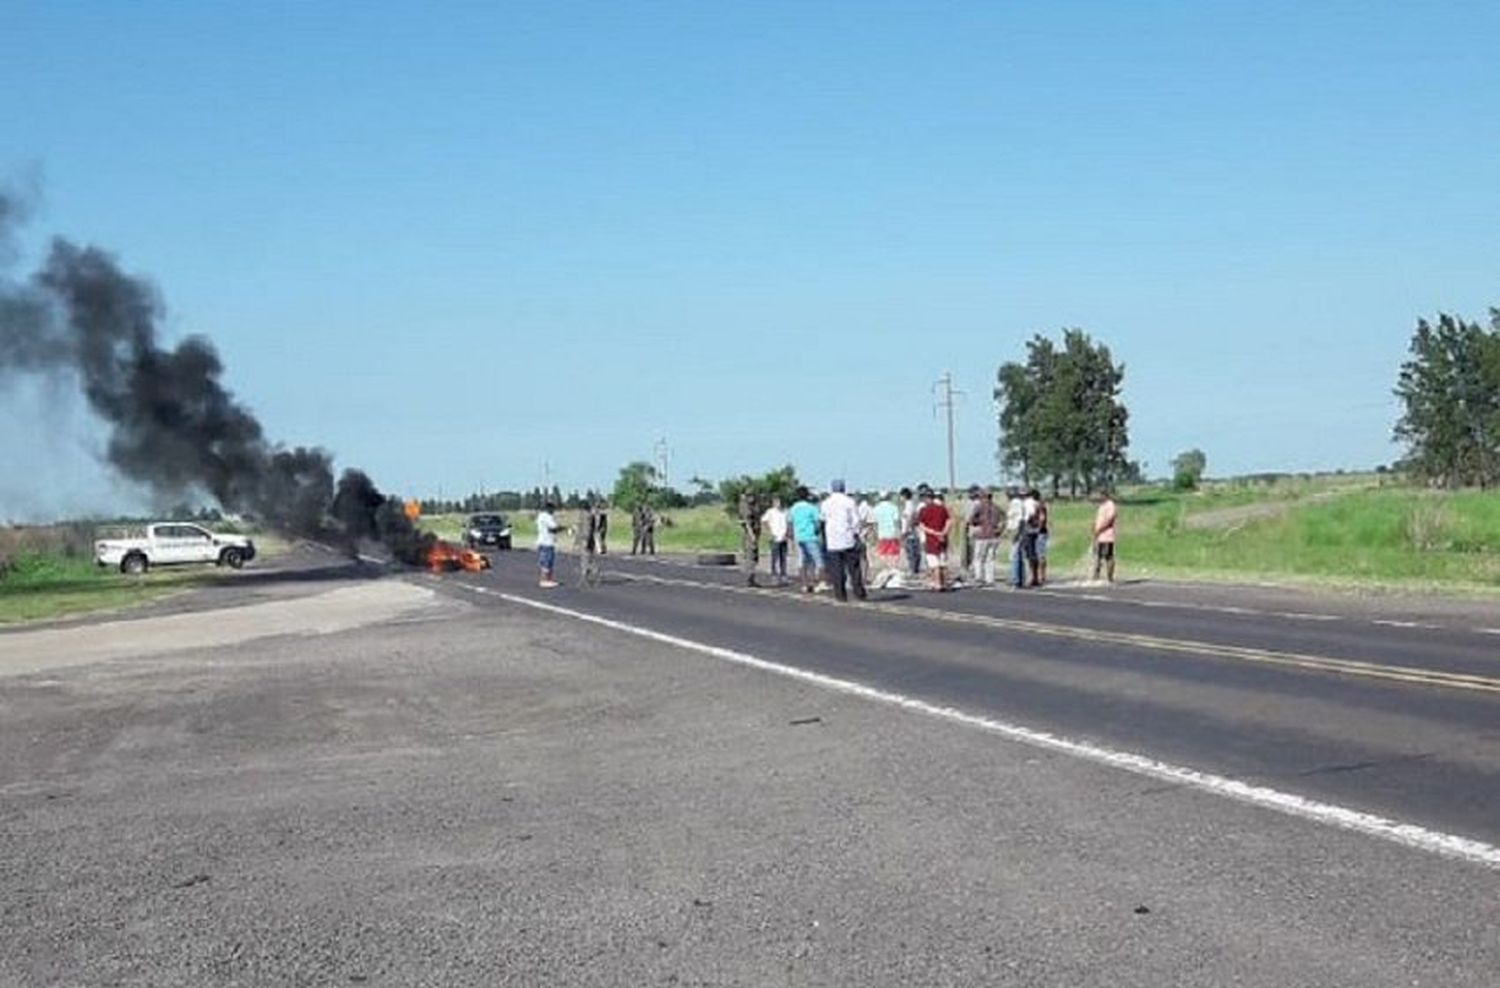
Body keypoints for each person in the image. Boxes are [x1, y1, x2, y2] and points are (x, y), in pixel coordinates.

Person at [820, 479, 866, 602]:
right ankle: (859, 592)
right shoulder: (849, 502)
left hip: (833, 540)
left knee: (837, 569)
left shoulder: (825, 503)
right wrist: (856, 534)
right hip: (847, 538)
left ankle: (840, 594)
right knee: (854, 568)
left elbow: (823, 519)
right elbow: (856, 520)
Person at [788, 486, 823, 593]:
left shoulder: (793, 508)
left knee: (802, 561)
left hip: (799, 537)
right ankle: (816, 583)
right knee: (817, 561)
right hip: (810, 536)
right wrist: (817, 532)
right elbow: (818, 522)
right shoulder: (811, 508)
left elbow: (790, 523)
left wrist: (792, 534)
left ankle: (804, 584)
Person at [916, 488, 952, 591]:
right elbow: (949, 521)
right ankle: (944, 582)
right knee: (943, 562)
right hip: (943, 538)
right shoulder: (942, 508)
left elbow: (921, 525)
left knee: (934, 564)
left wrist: (933, 532)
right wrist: (944, 532)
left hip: (931, 540)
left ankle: (937, 583)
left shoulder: (924, 510)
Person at [968, 488, 1002, 586]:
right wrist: (999, 530)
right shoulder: (996, 507)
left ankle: (979, 577)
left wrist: (977, 522)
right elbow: (1003, 519)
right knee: (990, 559)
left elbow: (971, 520)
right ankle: (990, 579)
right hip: (994, 536)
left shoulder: (979, 507)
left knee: (978, 558)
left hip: (982, 536)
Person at [871, 490, 903, 587]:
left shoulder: (876, 509)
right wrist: (899, 532)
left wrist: (875, 534)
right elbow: (897, 521)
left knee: (884, 555)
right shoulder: (894, 507)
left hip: (882, 534)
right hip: (893, 534)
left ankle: (887, 572)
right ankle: (893, 574)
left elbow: (875, 524)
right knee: (894, 555)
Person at [762, 495, 790, 585]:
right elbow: (764, 521)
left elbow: (789, 523)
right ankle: (774, 576)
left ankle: (783, 576)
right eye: (777, 502)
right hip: (775, 537)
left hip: (783, 537)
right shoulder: (770, 512)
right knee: (775, 558)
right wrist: (769, 533)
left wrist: (788, 534)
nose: (779, 504)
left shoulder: (785, 512)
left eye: (780, 502)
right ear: (773, 503)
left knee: (784, 558)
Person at [535, 501, 563, 588]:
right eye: (553, 509)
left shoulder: (540, 516)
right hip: (547, 542)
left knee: (546, 561)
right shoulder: (547, 517)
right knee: (547, 561)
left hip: (543, 542)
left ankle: (548, 579)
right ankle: (545, 580)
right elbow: (553, 527)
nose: (553, 511)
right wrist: (563, 528)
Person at [1093, 489, 1118, 583]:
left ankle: (1110, 577)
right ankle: (1096, 576)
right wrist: (1095, 528)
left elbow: (1109, 519)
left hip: (1107, 536)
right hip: (1100, 536)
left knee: (1108, 556)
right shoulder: (1101, 506)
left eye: (1101, 495)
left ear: (1105, 495)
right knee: (1098, 556)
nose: (1099, 497)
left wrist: (1100, 529)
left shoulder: (1110, 505)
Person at [1004, 487, 1027, 588]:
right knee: (1018, 555)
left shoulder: (1016, 503)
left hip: (1016, 530)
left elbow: (1020, 519)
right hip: (1017, 530)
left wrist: (1016, 533)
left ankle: (1015, 579)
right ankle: (1020, 578)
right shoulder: (1018, 503)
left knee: (1014, 556)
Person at [738, 490, 761, 587]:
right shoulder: (745, 507)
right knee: (751, 556)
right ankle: (749, 578)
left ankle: (751, 578)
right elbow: (747, 523)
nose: (752, 498)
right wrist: (752, 536)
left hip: (755, 532)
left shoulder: (753, 506)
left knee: (754, 557)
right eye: (750, 496)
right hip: (749, 534)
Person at [900, 487, 922, 576]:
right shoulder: (911, 505)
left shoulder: (909, 506)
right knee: (913, 552)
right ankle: (914, 569)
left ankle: (913, 570)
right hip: (911, 532)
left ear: (904, 496)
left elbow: (909, 519)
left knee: (911, 552)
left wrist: (905, 531)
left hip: (909, 533)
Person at [1030, 488, 1050, 586]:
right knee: (1036, 555)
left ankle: (1041, 576)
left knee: (1040, 555)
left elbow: (1042, 519)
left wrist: (1038, 528)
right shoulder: (1039, 505)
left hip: (1040, 533)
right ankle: (1037, 576)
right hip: (1039, 532)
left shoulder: (1039, 506)